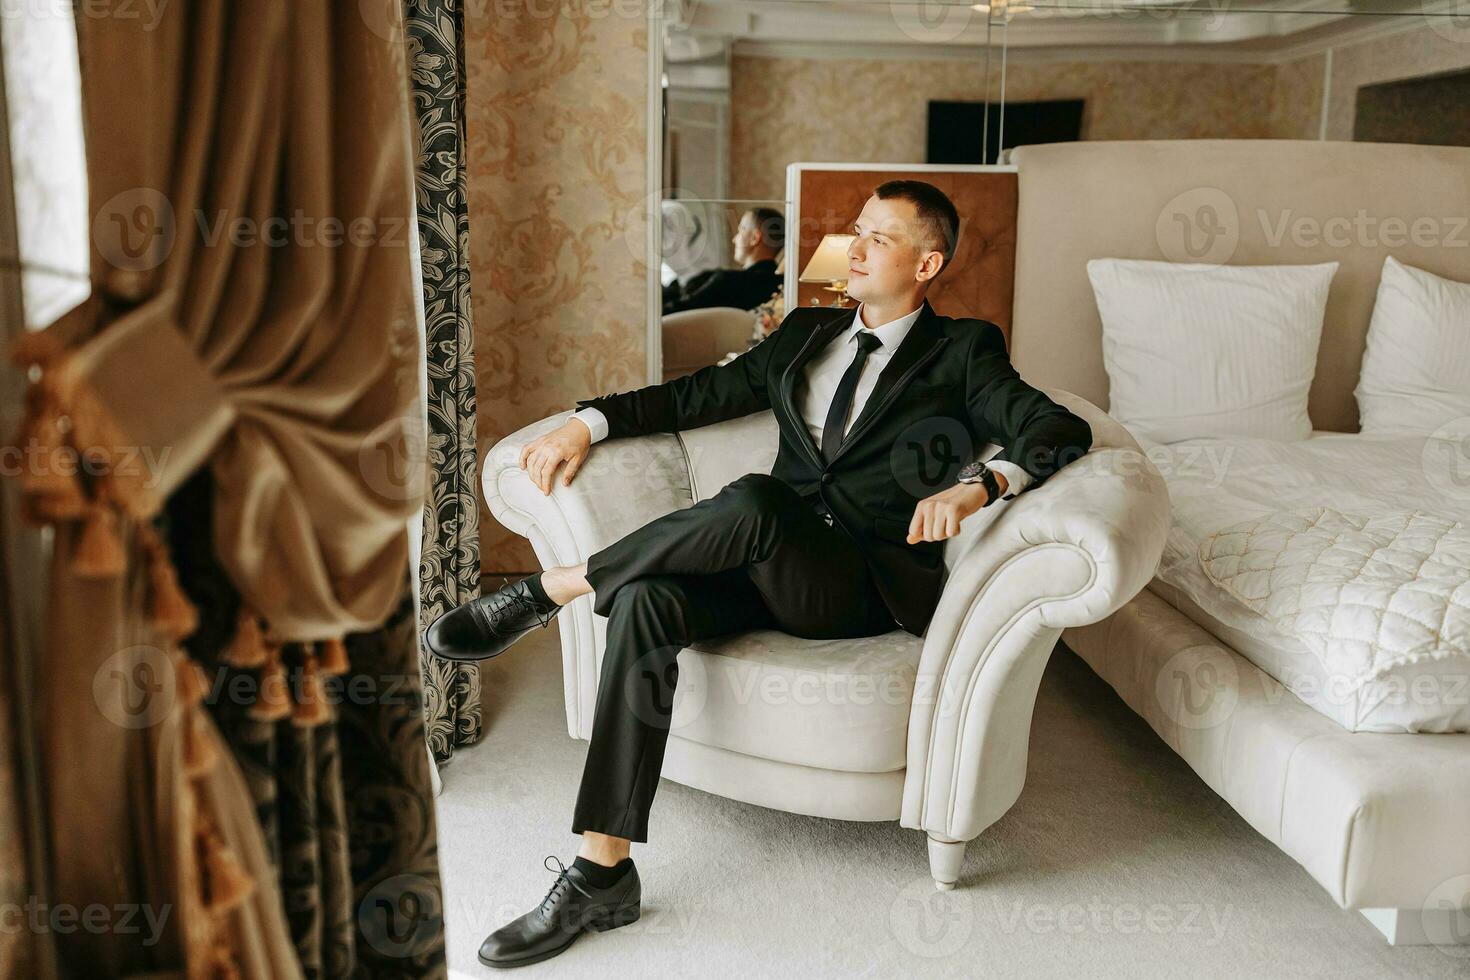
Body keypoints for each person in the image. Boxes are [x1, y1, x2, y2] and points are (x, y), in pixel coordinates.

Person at [425, 180, 1093, 969]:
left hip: (856, 585)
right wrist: (587, 420)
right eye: (858, 229)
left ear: (927, 262)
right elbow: (698, 394)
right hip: (766, 560)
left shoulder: (964, 349)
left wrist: (981, 484)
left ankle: (551, 590)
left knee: (754, 499)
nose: (858, 244)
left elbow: (1059, 428)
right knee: (644, 599)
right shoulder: (807, 331)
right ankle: (601, 872)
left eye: (880, 236)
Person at [662, 207, 784, 314]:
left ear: (754, 238)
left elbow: (675, 310)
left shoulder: (727, 282)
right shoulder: (781, 285)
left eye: (741, 230)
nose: (734, 239)